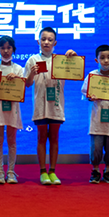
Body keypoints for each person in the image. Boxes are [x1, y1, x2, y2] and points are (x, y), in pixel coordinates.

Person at [25, 27, 77, 185]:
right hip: (40, 105)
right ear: (38, 41)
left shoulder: (61, 60)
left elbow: (75, 72)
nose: (46, 42)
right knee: (41, 138)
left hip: (56, 105)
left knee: (54, 138)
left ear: (55, 43)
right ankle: (43, 172)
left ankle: (52, 171)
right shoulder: (32, 60)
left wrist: (73, 58)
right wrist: (32, 73)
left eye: (50, 39)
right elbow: (27, 84)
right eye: (43, 39)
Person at [81, 45, 109, 184]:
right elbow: (84, 93)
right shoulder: (92, 76)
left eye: (108, 57)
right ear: (96, 60)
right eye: (102, 58)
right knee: (96, 147)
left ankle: (108, 170)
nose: (106, 60)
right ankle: (95, 170)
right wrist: (90, 97)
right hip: (96, 117)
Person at [0, 36, 23, 184]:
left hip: (13, 108)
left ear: (13, 50)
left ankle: (11, 172)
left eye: (9, 48)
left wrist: (17, 79)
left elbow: (22, 91)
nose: (6, 51)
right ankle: (0, 172)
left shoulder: (19, 69)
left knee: (12, 141)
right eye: (3, 48)